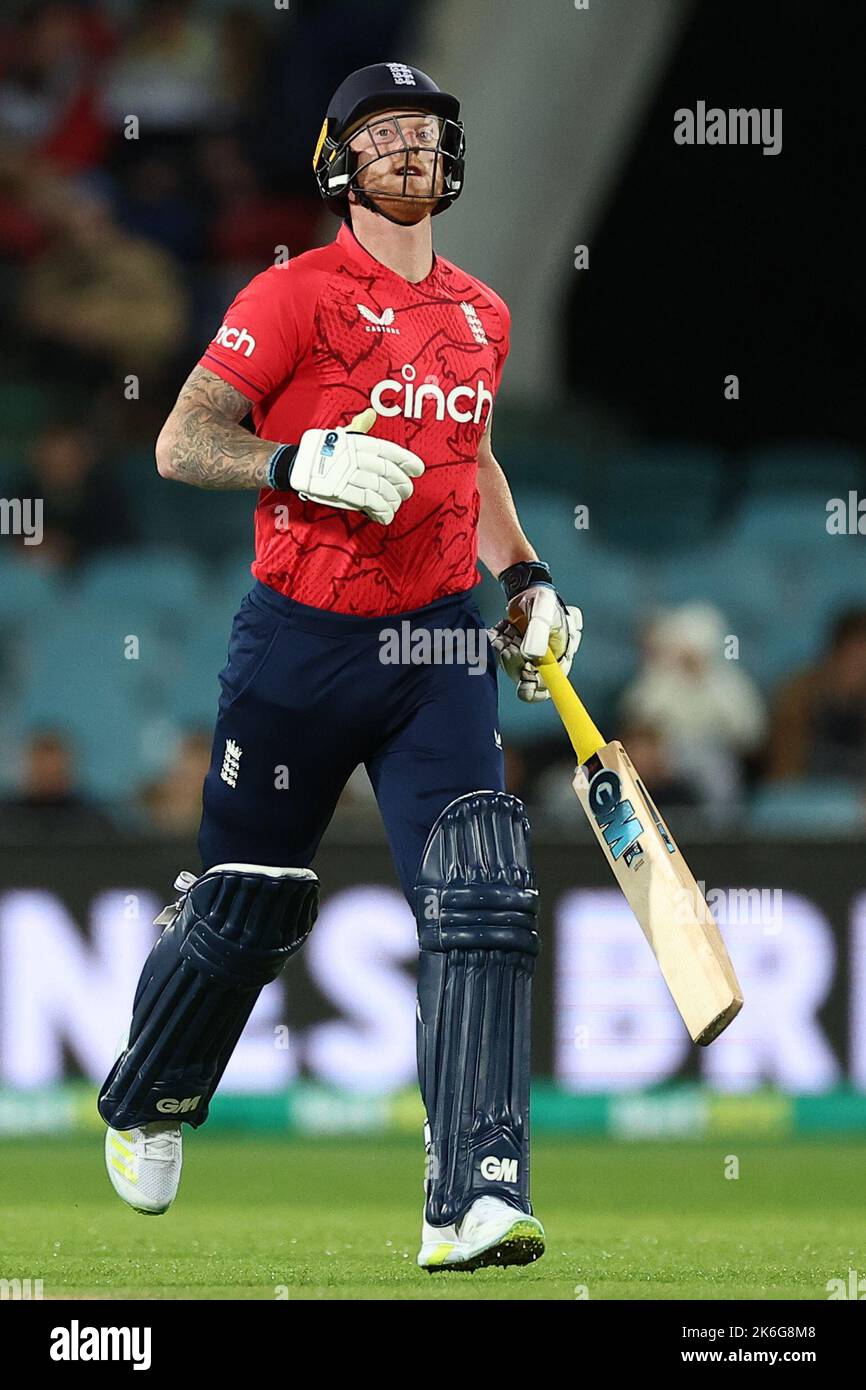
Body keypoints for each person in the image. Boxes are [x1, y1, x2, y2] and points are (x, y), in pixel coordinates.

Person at [97, 63, 581, 1274]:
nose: (410, 148)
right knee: (245, 908)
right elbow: (179, 440)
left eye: (424, 133)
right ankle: (151, 1090)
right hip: (300, 641)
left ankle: (470, 1193)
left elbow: (468, 455)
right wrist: (292, 461)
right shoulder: (292, 294)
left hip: (433, 643)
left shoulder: (480, 312)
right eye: (383, 134)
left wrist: (523, 578)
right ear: (338, 162)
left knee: (481, 892)